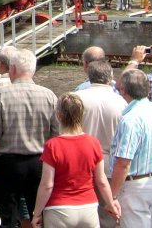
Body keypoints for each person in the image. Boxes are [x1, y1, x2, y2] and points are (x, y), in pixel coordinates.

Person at [0, 49, 59, 228]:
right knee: (39, 216)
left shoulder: (1, 96)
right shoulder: (50, 96)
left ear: (13, 69)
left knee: (5, 217)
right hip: (40, 163)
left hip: (7, 165)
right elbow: (56, 136)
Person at [31, 93, 120, 228]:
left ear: (59, 115)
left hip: (58, 208)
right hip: (88, 206)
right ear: (81, 114)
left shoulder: (52, 145)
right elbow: (101, 181)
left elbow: (47, 185)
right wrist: (110, 203)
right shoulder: (94, 143)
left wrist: (37, 213)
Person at [109, 69, 152, 228]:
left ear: (123, 90)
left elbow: (123, 162)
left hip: (134, 186)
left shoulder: (130, 119)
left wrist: (113, 196)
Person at [75, 61, 127, 228]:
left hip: (80, 163)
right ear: (110, 77)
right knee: (108, 215)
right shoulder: (121, 102)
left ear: (89, 75)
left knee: (82, 214)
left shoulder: (77, 98)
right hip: (109, 164)